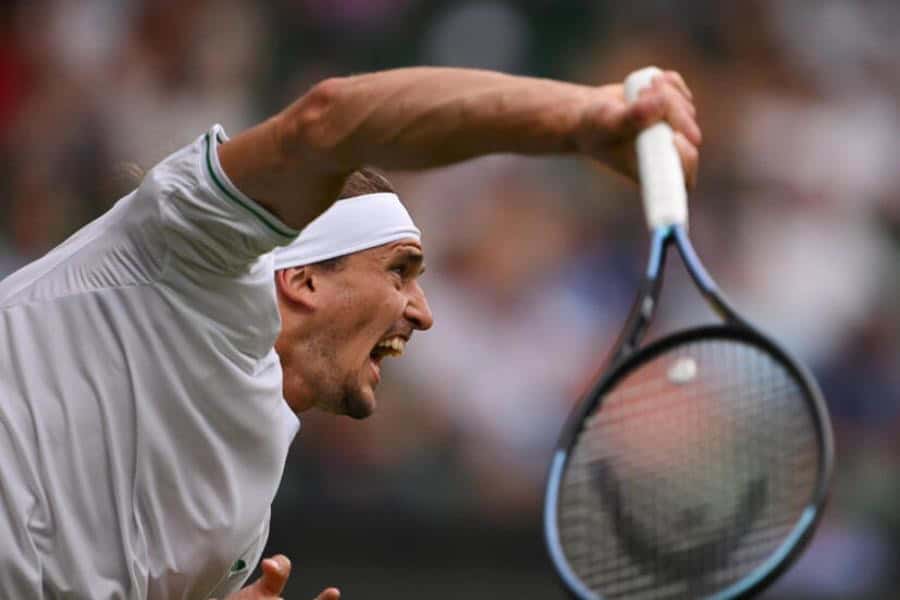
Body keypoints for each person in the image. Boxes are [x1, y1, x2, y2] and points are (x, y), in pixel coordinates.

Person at [0, 66, 700, 599]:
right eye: (400, 271)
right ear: (301, 279)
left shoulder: (243, 524)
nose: (424, 313)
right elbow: (328, 118)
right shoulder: (190, 261)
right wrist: (579, 119)